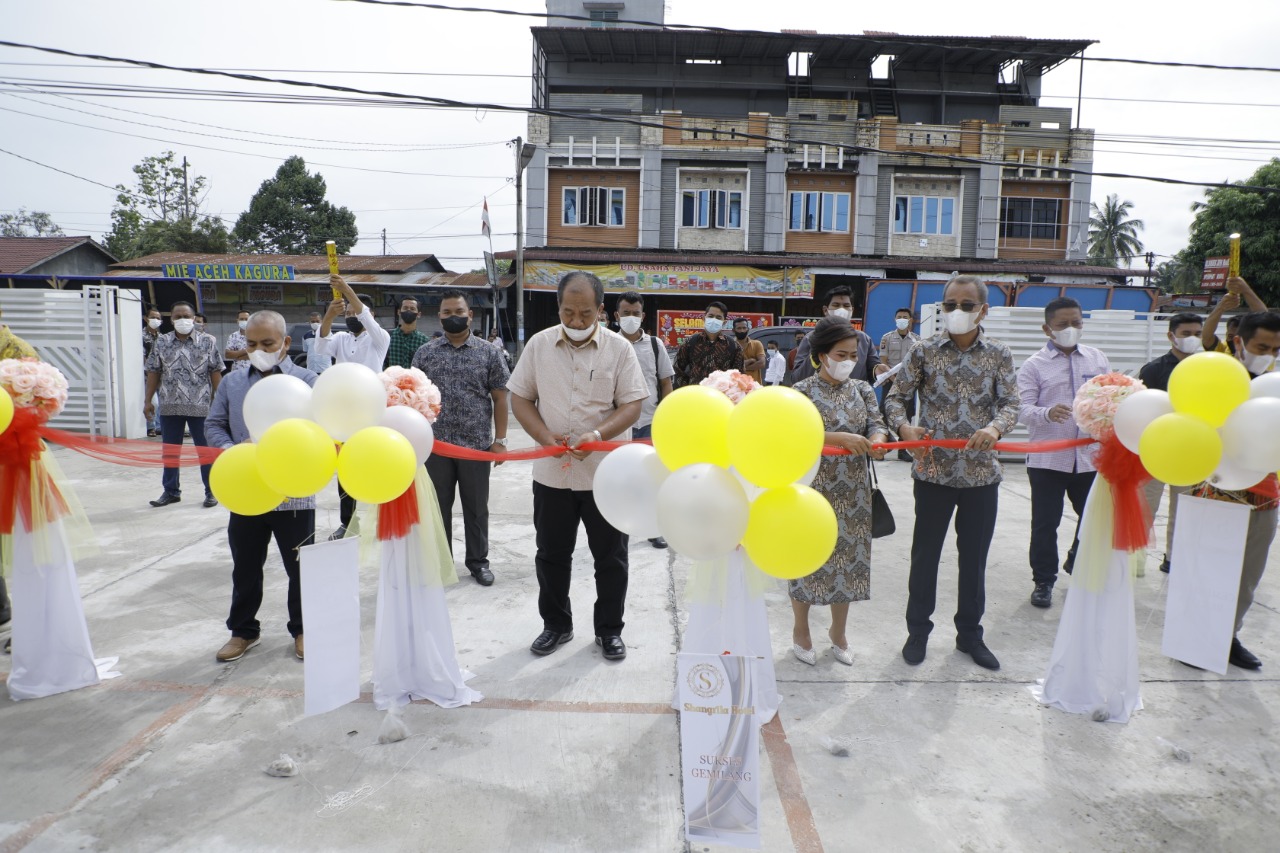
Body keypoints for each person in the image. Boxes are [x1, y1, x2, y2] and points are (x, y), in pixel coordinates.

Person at [508, 271, 647, 661]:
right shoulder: (538, 346)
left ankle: (609, 631)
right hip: (553, 473)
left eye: (586, 313)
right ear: (558, 307)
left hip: (607, 473)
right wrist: (543, 437)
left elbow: (632, 404)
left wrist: (598, 434)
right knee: (551, 554)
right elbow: (520, 399)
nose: (576, 321)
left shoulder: (619, 350)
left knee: (611, 557)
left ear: (602, 310)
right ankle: (556, 625)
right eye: (568, 312)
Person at [886, 275, 1019, 671]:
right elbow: (895, 397)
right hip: (933, 473)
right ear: (941, 309)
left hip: (981, 476)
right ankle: (917, 632)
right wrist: (904, 427)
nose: (956, 312)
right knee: (925, 557)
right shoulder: (923, 351)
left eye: (966, 304)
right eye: (950, 305)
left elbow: (1011, 404)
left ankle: (969, 635)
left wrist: (995, 428)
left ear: (983, 310)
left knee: (974, 559)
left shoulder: (999, 353)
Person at [206, 311, 318, 663]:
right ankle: (242, 631)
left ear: (286, 342)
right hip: (247, 489)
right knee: (245, 565)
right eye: (251, 344)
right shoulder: (232, 382)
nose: (258, 350)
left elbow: (322, 431)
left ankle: (303, 629)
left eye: (267, 343)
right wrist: (231, 452)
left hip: (294, 494)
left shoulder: (308, 381)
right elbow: (214, 425)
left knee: (301, 567)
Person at [789, 318, 889, 666]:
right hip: (811, 491)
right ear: (821, 355)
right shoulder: (800, 392)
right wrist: (837, 439)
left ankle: (838, 631)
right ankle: (801, 629)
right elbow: (793, 435)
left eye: (853, 354)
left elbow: (877, 423)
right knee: (805, 559)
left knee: (848, 562)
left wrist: (878, 440)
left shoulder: (861, 390)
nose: (847, 360)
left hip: (854, 493)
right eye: (840, 354)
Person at [1196, 309, 1280, 669]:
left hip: (1265, 495)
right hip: (1218, 491)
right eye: (1262, 346)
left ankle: (1229, 637)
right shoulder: (1216, 377)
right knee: (1208, 573)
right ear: (1238, 342)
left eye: (1276, 349)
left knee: (1247, 578)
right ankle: (1196, 637)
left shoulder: (1275, 384)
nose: (1269, 355)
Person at [1017, 297, 1111, 609]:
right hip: (1047, 460)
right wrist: (1046, 413)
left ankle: (1076, 560)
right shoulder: (1034, 366)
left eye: (1076, 323)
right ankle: (1043, 581)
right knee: (1045, 524)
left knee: (1094, 520)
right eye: (1062, 325)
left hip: (1089, 459)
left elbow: (1110, 398)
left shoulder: (1097, 360)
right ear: (1047, 329)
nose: (1070, 329)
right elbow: (1021, 409)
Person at [412, 289, 511, 587]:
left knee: (476, 508)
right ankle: (441, 564)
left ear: (470, 314)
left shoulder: (489, 352)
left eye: (458, 312)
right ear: (439, 316)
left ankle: (478, 563)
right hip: (436, 446)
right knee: (437, 507)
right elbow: (413, 398)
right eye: (446, 313)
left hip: (476, 445)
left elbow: (500, 397)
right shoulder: (425, 353)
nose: (453, 317)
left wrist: (500, 441)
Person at [316, 274, 391, 539]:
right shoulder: (341, 339)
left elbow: (366, 317)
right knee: (346, 469)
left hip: (372, 411)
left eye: (353, 311)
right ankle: (347, 521)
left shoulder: (379, 338)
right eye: (346, 312)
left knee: (375, 464)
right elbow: (321, 344)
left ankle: (381, 518)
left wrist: (347, 290)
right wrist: (329, 315)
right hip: (344, 414)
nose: (350, 315)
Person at [1139, 312, 1205, 574]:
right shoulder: (1154, 369)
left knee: (1185, 509)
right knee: (1146, 507)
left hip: (1192, 451)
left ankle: (1173, 558)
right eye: (1186, 334)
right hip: (1157, 450)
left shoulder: (1206, 369)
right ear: (1171, 336)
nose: (1192, 339)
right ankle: (1135, 559)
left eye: (1197, 334)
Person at [144, 301, 221, 509]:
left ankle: (212, 491)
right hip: (169, 405)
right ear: (171, 320)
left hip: (201, 405)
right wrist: (148, 400)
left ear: (194, 318)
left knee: (205, 450)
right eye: (177, 317)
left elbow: (215, 371)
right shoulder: (161, 342)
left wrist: (220, 402)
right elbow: (154, 372)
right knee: (170, 451)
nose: (182, 320)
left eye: (186, 316)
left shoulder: (208, 341)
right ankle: (171, 491)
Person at [615, 290, 675, 549]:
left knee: (653, 480)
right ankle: (620, 530)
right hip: (619, 426)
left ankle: (652, 528)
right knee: (623, 480)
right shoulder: (609, 343)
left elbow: (665, 381)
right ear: (616, 315)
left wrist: (667, 416)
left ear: (643, 316)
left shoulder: (655, 344)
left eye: (635, 313)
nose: (630, 317)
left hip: (650, 422)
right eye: (625, 313)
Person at [0, 305, 36, 633]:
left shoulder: (19, 353)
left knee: (26, 539)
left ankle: (29, 622)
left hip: (12, 457)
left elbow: (39, 406)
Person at [789, 287, 885, 385]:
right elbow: (797, 378)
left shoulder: (864, 340)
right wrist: (815, 355)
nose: (841, 309)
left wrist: (877, 371)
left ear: (852, 310)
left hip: (852, 398)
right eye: (836, 305)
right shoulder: (811, 339)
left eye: (846, 305)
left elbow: (872, 370)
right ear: (825, 310)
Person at [879, 307, 921, 462]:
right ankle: (883, 447)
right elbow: (883, 360)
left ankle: (903, 450)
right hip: (890, 381)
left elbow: (918, 362)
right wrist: (892, 378)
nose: (902, 319)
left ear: (910, 320)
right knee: (883, 414)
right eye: (899, 317)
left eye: (905, 317)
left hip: (908, 384)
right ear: (895, 319)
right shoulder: (887, 338)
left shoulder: (917, 339)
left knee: (907, 415)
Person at [673, 301, 742, 387]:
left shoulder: (733, 346)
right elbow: (678, 370)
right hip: (695, 396)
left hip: (721, 397)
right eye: (711, 316)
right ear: (704, 318)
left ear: (724, 322)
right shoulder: (690, 342)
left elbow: (739, 375)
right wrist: (685, 390)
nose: (714, 320)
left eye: (718, 317)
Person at [1202, 276, 1267, 353]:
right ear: (1226, 334)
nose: (1235, 341)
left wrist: (1245, 289)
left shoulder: (1259, 352)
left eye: (1240, 338)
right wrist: (1221, 306)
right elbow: (1206, 336)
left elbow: (1265, 320)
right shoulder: (1222, 350)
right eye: (1231, 336)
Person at [384, 296, 429, 370]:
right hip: (391, 380)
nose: (408, 311)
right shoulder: (388, 337)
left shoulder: (424, 341)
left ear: (419, 314)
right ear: (399, 312)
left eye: (412, 309)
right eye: (405, 308)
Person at [143, 307, 163, 436]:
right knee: (152, 401)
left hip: (161, 374)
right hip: (148, 374)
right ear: (146, 319)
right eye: (153, 317)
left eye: (158, 318)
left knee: (161, 401)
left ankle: (160, 427)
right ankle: (150, 426)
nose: (155, 320)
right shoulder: (142, 336)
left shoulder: (161, 337)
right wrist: (148, 370)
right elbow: (142, 355)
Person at [733, 318, 767, 385]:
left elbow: (762, 363)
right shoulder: (730, 345)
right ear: (733, 330)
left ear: (748, 329)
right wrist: (750, 361)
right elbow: (730, 366)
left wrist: (742, 368)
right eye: (739, 328)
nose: (742, 331)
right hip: (736, 387)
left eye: (744, 328)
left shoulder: (757, 344)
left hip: (754, 386)